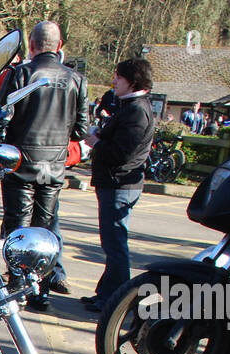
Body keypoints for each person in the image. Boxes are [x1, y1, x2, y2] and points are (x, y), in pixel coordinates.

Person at [0, 21, 87, 308]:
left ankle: (16, 283)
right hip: (54, 163)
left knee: (17, 225)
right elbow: (82, 129)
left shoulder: (22, 74)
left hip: (21, 159)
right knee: (45, 228)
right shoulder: (76, 79)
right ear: (58, 46)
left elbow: (1, 115)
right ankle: (40, 289)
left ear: (32, 46)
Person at [81, 58, 157, 313]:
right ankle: (107, 293)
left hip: (120, 183)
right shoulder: (131, 106)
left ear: (132, 81)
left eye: (118, 77)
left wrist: (96, 143)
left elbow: (122, 152)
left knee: (115, 243)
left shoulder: (136, 110)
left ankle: (117, 299)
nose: (114, 81)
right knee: (111, 242)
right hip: (117, 183)